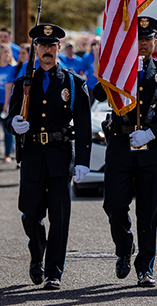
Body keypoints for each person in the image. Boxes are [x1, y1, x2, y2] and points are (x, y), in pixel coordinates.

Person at [91, 16, 157, 287]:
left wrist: (152, 132)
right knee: (114, 204)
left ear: (155, 42)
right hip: (120, 144)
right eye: (137, 40)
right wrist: (111, 68)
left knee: (148, 211)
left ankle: (145, 266)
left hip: (153, 148)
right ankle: (124, 247)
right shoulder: (118, 70)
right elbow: (97, 94)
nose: (142, 44)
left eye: (147, 40)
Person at [6, 24, 92, 290]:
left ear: (58, 49)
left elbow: (84, 123)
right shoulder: (23, 83)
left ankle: (54, 271)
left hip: (59, 156)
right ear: (35, 49)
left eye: (51, 45)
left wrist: (83, 161)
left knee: (60, 218)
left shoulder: (73, 83)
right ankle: (37, 256)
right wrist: (14, 124)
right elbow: (10, 116)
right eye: (42, 45)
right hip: (32, 156)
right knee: (31, 215)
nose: (47, 50)